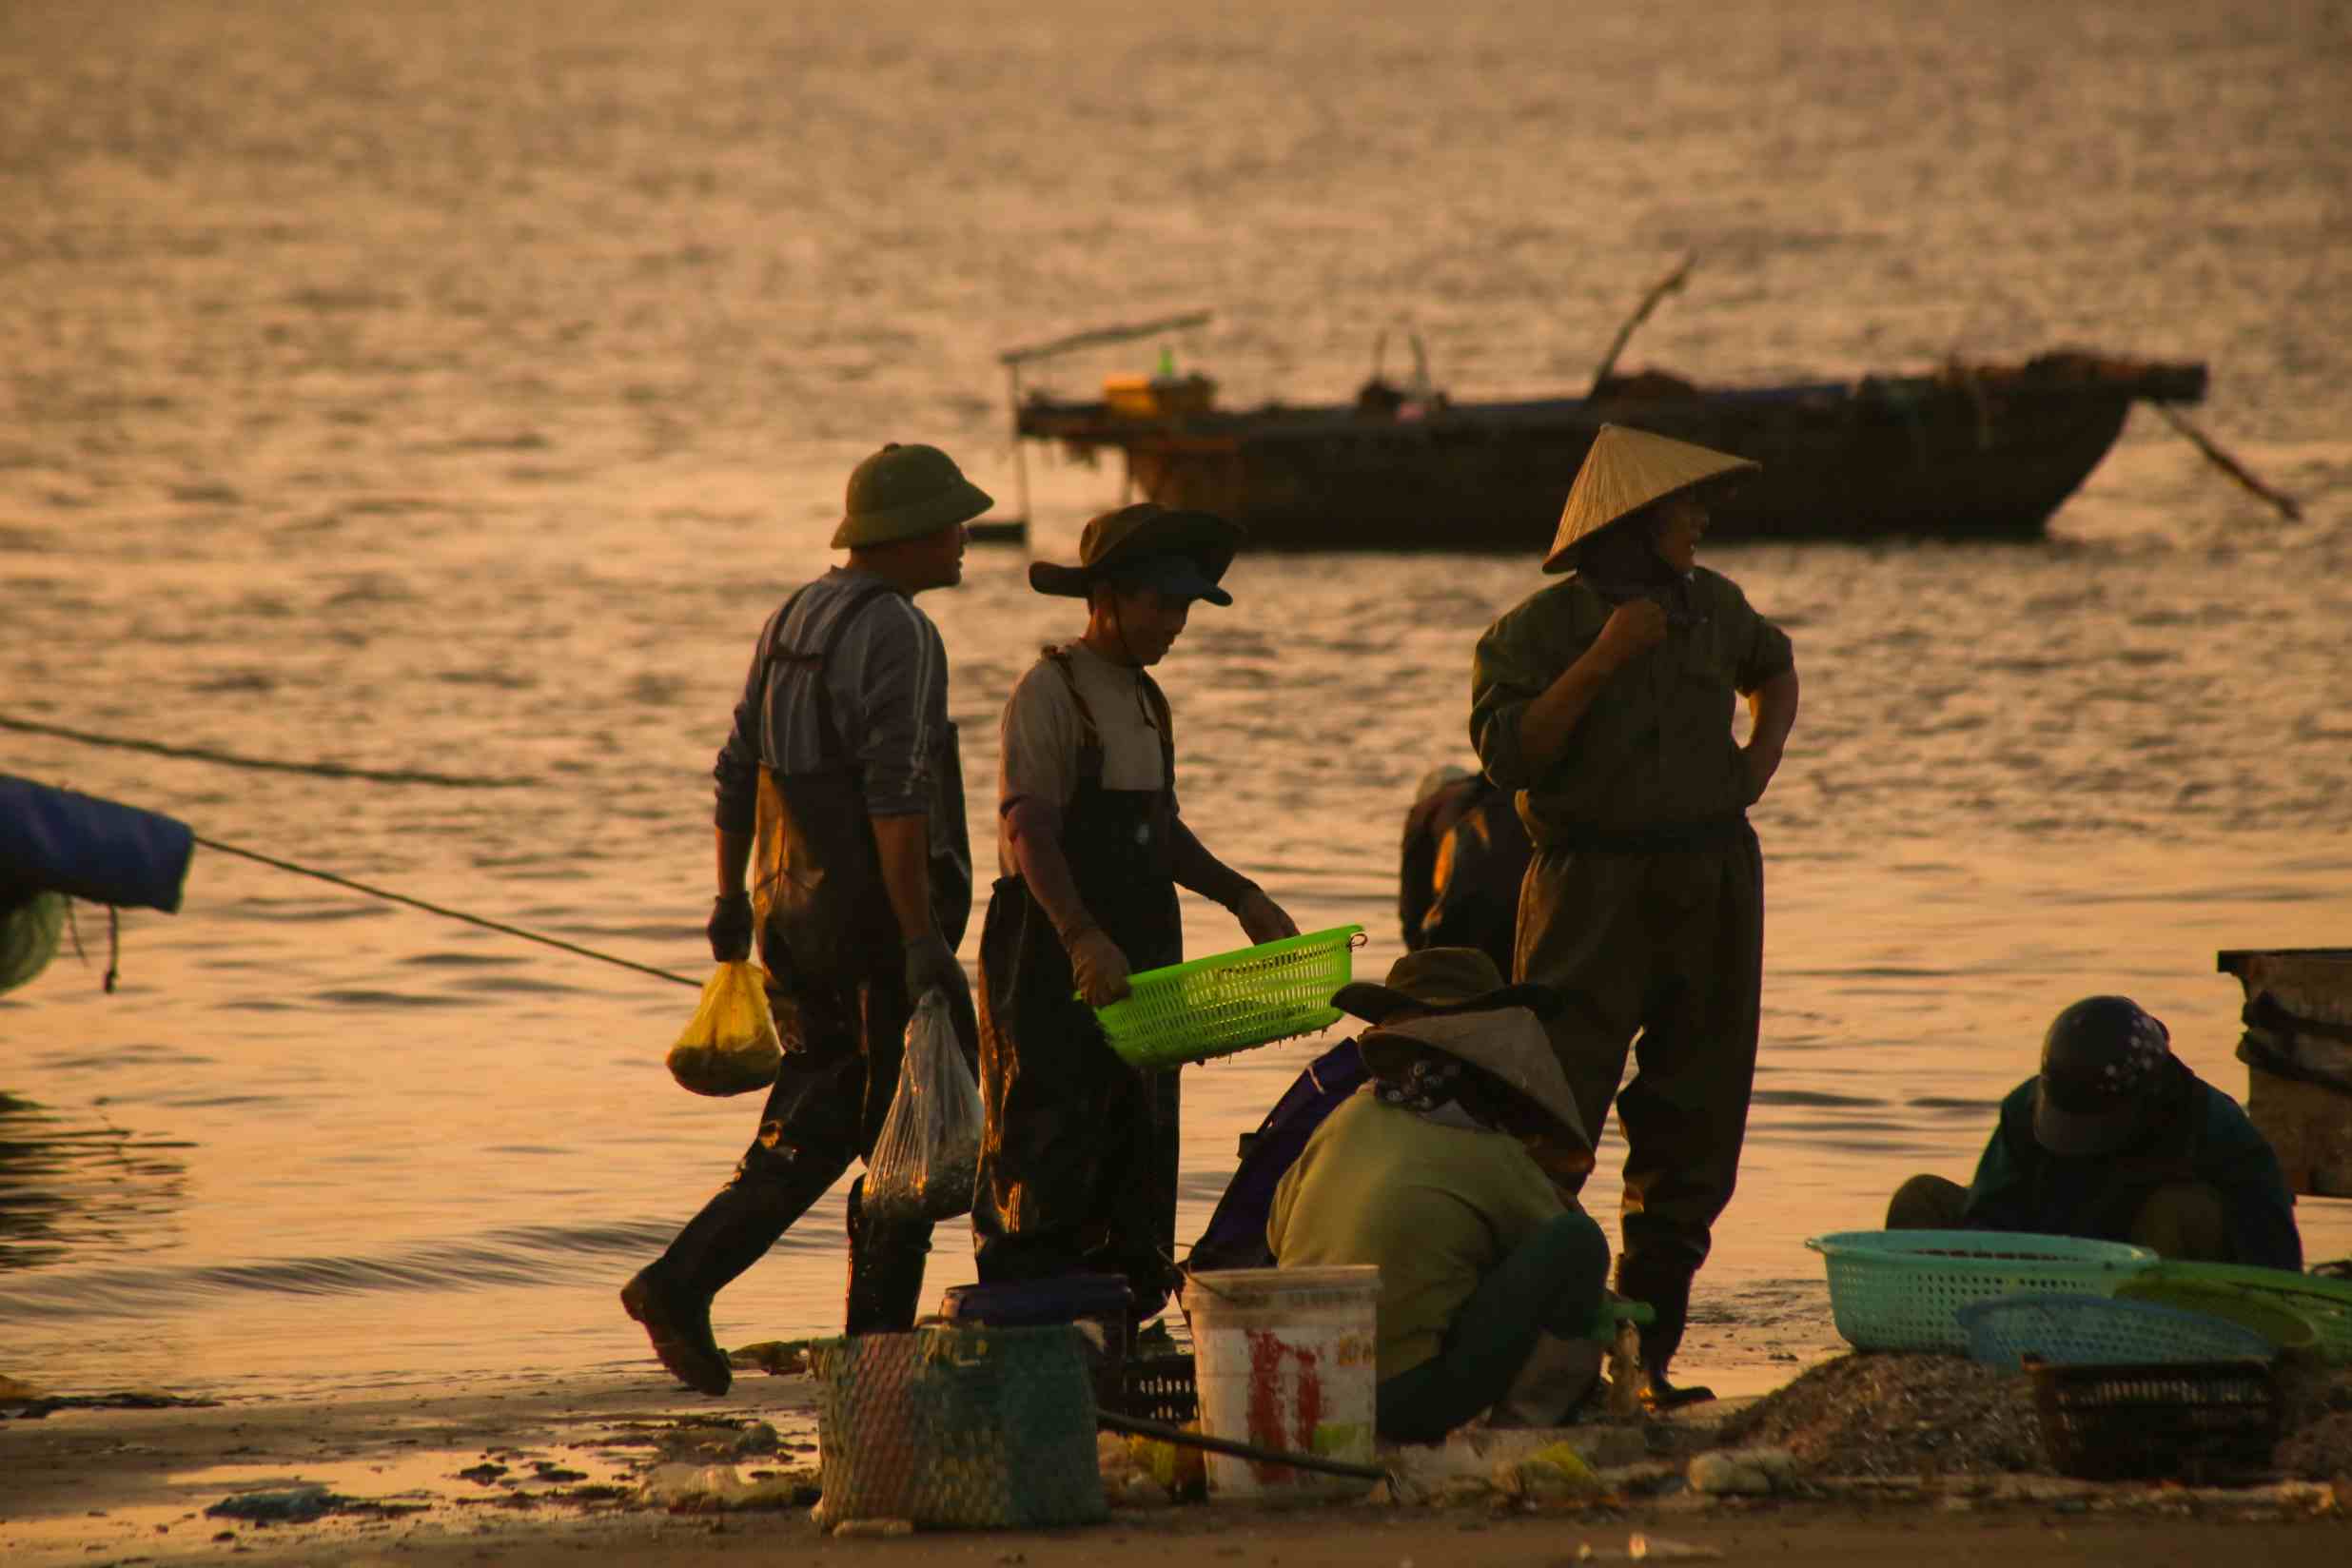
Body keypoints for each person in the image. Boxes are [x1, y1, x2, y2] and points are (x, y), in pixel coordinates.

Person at [621, 441, 993, 1396]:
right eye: (953, 526)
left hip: (790, 914)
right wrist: (919, 940)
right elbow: (896, 795)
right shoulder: (903, 634)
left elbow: (738, 765)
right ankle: (876, 1364)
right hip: (872, 927)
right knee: (902, 1145)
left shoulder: (796, 612)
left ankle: (682, 1281)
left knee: (819, 1124)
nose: (964, 541)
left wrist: (727, 898)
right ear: (906, 537)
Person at [1470, 423, 1799, 1410]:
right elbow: (1510, 756)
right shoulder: (1532, 633)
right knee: (1551, 1122)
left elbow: (1774, 668)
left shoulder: (1716, 607)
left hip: (1711, 880)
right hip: (1590, 889)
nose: (1700, 520)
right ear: (1633, 522)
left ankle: (1645, 1364)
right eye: (1684, 507)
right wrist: (1606, 658)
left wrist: (1756, 763)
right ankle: (1540, 1360)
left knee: (1696, 1122)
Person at [974, 501, 1298, 1323]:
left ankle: (1128, 1326)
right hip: (1048, 957)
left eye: (1185, 608)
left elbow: (1160, 833)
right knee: (1047, 1152)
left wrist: (1241, 895)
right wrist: (1082, 936)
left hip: (1146, 945)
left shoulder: (1149, 703)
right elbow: (1029, 828)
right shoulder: (1049, 693)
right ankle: (1040, 1329)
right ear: (1106, 597)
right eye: (1160, 604)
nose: (1174, 625)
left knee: (1138, 1150)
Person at [1267, 947, 1613, 1443]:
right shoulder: (1491, 1153)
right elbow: (1561, 1270)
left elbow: (1278, 1233)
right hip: (1397, 1405)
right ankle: (1522, 1431)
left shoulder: (1344, 1118)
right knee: (1579, 1242)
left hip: (1299, 1393)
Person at [1887, 995, 2302, 1269]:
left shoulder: (2213, 1127)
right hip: (2050, 1261)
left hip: (2153, 1275)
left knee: (2181, 1211)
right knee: (1920, 1200)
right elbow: (1990, 1213)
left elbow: (2276, 1256)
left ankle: (2147, 1339)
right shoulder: (2024, 1111)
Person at [1398, 764, 1531, 977]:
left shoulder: (1426, 812)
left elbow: (1413, 914)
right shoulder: (1512, 793)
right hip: (1531, 926)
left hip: (1473, 936)